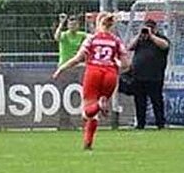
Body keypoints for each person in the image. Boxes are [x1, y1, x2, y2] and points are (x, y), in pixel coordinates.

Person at [53, 13, 130, 151]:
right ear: (111, 25)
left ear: (97, 24)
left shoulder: (92, 39)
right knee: (94, 114)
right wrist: (113, 65)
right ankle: (88, 143)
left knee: (87, 111)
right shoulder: (116, 40)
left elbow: (77, 58)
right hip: (111, 75)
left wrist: (61, 68)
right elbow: (126, 64)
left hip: (93, 72)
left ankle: (99, 105)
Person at [128, 19, 170, 129]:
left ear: (155, 29)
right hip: (138, 76)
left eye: (150, 28)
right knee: (139, 101)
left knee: (157, 101)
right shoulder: (140, 40)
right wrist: (139, 35)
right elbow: (129, 47)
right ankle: (140, 123)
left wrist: (152, 36)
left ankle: (160, 123)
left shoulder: (160, 38)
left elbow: (165, 46)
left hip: (155, 76)